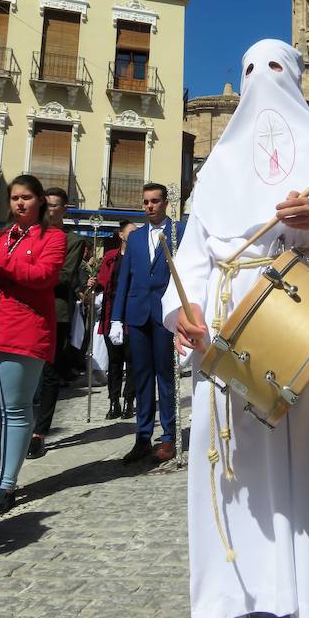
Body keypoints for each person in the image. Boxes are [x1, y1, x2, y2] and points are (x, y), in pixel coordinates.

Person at [162, 39, 309, 618]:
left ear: (295, 77)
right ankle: (233, 600)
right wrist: (186, 313)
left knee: (308, 457)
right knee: (230, 469)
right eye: (250, 70)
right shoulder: (216, 167)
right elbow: (194, 258)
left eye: (275, 68)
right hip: (226, 329)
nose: (262, 80)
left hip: (297, 322)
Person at [0, 175, 66, 517]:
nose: (19, 203)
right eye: (14, 197)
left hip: (25, 332)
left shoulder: (53, 237)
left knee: (14, 409)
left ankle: (5, 485)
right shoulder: (0, 236)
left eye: (26, 197)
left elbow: (42, 277)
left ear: (40, 201)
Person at [111, 184, 184, 465]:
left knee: (165, 376)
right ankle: (142, 436)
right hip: (137, 312)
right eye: (145, 202)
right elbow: (124, 278)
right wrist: (117, 317)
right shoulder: (137, 238)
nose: (150, 206)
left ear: (165, 203)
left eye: (155, 201)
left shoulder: (179, 231)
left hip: (164, 313)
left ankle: (168, 436)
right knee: (141, 377)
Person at [26, 187, 85, 459]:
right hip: (25, 310)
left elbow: (64, 276)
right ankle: (16, 431)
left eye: (54, 205)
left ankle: (39, 433)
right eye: (45, 204)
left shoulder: (72, 240)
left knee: (49, 374)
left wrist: (27, 274)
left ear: (64, 209)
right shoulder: (30, 234)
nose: (49, 210)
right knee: (22, 375)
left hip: (56, 311)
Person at [93, 220, 137, 418]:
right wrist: (94, 283)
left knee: (133, 360)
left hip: (133, 315)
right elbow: (103, 282)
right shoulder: (110, 257)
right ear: (121, 235)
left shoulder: (138, 256)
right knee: (114, 361)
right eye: (131, 232)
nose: (135, 235)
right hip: (112, 315)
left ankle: (129, 401)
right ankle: (113, 402)